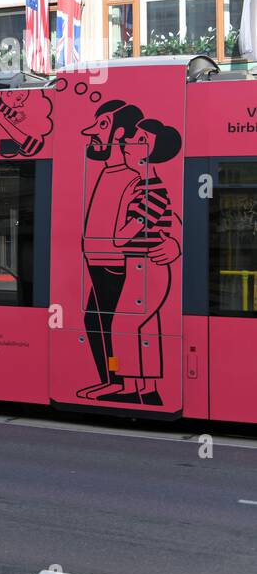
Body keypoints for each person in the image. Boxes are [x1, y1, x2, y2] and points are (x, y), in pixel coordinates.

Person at [96, 118, 182, 406]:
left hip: (145, 267)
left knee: (123, 326)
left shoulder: (149, 190)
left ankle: (132, 388)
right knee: (144, 329)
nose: (128, 143)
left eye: (138, 140)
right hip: (139, 267)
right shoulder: (142, 185)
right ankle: (144, 389)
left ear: (148, 151)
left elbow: (122, 237)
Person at [76, 100, 145, 399]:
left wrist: (117, 240)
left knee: (101, 321)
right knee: (97, 320)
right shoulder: (107, 172)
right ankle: (112, 378)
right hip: (96, 259)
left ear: (119, 133)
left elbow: (141, 217)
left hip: (109, 261)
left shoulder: (130, 177)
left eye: (102, 125)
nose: (93, 134)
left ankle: (114, 379)